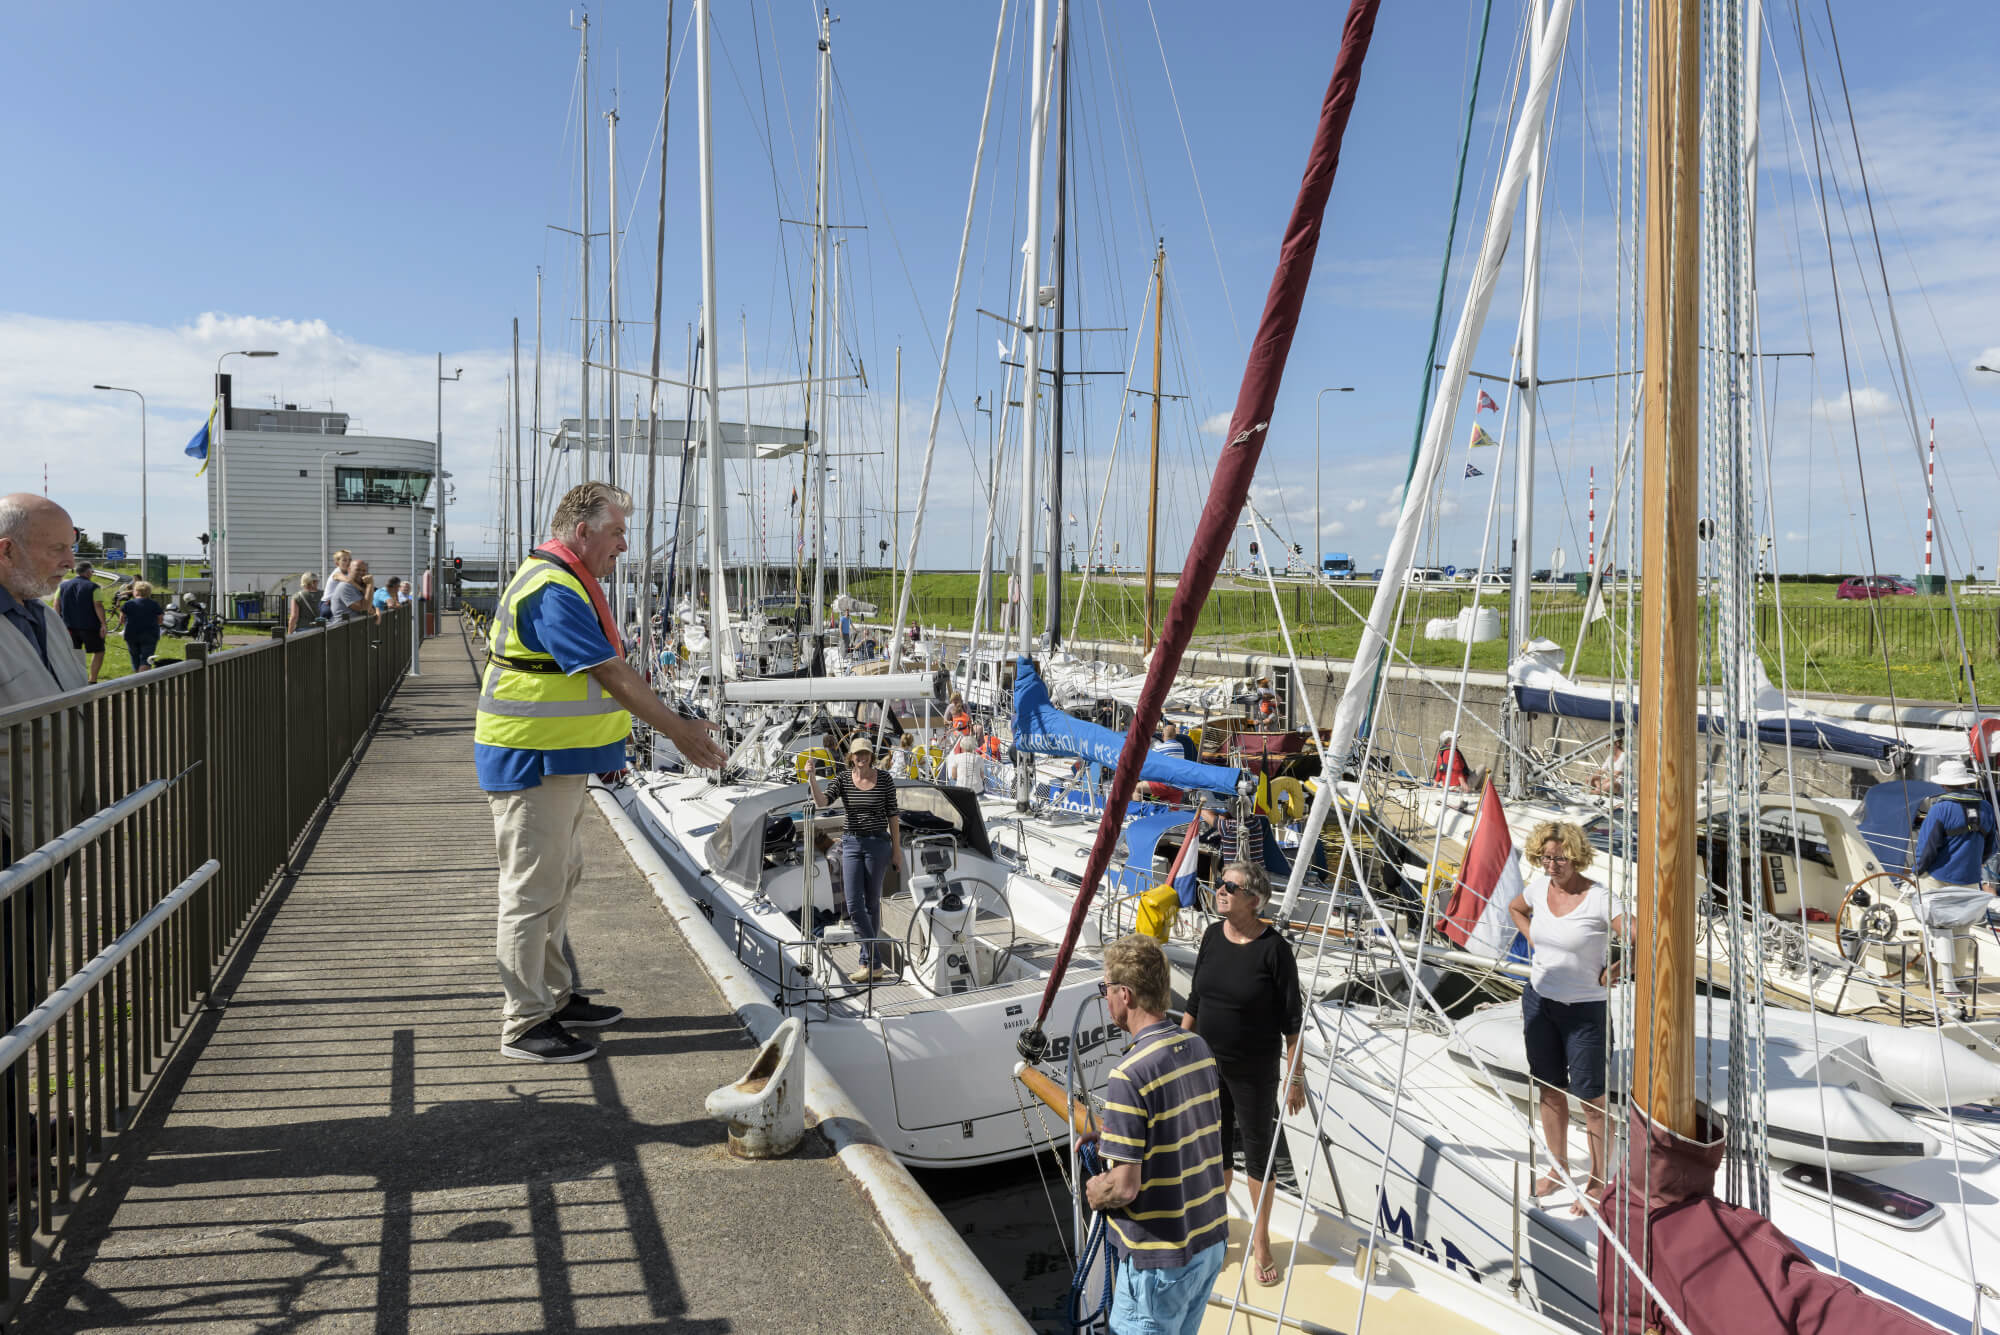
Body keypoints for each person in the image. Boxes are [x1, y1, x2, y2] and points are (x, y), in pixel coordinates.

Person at [477, 481, 727, 1063]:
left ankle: (557, 998)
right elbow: (610, 673)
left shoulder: (565, 578)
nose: (622, 546)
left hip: (557, 759)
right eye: (616, 532)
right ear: (583, 531)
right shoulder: (552, 588)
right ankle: (523, 1022)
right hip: (529, 759)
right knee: (531, 891)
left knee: (558, 882)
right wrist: (677, 730)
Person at [0, 495, 89, 1190]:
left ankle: (14, 1125)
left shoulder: (43, 617)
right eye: (56, 549)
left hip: (43, 833)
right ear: (7, 550)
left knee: (23, 987)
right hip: (6, 833)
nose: (69, 561)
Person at [1085, 934, 1228, 1334]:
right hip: (1208, 1244)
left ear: (1125, 994)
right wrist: (1112, 1138)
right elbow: (1180, 1127)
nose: (1106, 998)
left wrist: (1097, 1191)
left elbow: (1126, 1188)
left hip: (1161, 1262)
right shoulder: (1198, 1048)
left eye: (1106, 989)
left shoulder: (1128, 1075)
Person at [1180, 861, 1304, 1288]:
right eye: (1219, 883)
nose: (1219, 890)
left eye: (1229, 886)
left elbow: (1293, 1021)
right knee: (1214, 1149)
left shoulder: (1274, 949)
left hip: (1254, 1071)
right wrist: (1178, 1051)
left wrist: (1296, 1076)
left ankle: (1262, 1240)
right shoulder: (1212, 936)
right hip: (1207, 1063)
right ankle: (1217, 1229)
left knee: (1256, 1152)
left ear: (1254, 900)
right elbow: (1195, 1001)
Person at [1507, 819, 1627, 1213]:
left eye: (1558, 858)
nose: (1551, 865)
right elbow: (1515, 908)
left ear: (1575, 857)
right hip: (1540, 1002)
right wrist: (1531, 937)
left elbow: (1640, 935)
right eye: (1545, 857)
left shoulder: (1599, 898)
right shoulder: (1539, 889)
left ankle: (1596, 1180)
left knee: (1591, 1100)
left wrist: (1622, 967)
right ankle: (1557, 1168)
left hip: (1585, 1011)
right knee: (1548, 1088)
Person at [806, 735, 903, 983]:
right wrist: (811, 777)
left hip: (878, 845)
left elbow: (893, 816)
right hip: (850, 843)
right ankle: (876, 961)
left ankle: (865, 962)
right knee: (853, 904)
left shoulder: (884, 780)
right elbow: (821, 802)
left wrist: (897, 850)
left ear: (871, 756)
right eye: (857, 754)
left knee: (871, 903)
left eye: (865, 754)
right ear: (851, 757)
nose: (861, 758)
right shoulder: (843, 779)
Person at [1909, 758, 1999, 1016]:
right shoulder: (1986, 808)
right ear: (1967, 782)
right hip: (1970, 879)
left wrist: (1917, 871)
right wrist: (1975, 866)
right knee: (1961, 930)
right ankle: (1957, 979)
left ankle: (1936, 980)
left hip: (1938, 877)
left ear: (1945, 784)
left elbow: (1927, 847)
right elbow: (1992, 846)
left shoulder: (1939, 809)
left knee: (1933, 928)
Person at [55, 560, 107, 684]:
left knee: (74, 653)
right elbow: (98, 605)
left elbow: (56, 604)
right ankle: (92, 679)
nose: (92, 574)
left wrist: (57, 621)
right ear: (88, 572)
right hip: (90, 626)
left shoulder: (62, 586)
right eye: (92, 571)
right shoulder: (93, 587)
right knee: (99, 651)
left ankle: (75, 678)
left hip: (69, 626)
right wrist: (103, 624)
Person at [119, 580, 164, 671]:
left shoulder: (128, 604)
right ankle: (144, 680)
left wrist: (128, 625)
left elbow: (122, 619)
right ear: (148, 592)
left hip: (131, 634)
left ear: (136, 591)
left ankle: (137, 679)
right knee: (146, 658)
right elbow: (160, 619)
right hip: (150, 634)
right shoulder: (154, 604)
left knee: (135, 657)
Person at [329, 559, 373, 626]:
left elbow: (372, 608)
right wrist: (370, 584)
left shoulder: (360, 586)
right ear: (349, 570)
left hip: (353, 629)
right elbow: (365, 609)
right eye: (357, 570)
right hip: (343, 630)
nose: (361, 573)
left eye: (364, 571)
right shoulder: (345, 586)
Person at [1587, 728, 1625, 795]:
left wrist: (1601, 784)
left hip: (1621, 786)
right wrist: (1592, 777)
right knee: (1590, 779)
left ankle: (1594, 792)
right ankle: (1601, 792)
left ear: (1617, 743)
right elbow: (1601, 771)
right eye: (1606, 745)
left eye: (1608, 744)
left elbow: (1614, 776)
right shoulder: (1610, 757)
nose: (1607, 747)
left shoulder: (1624, 756)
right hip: (1609, 781)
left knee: (1609, 784)